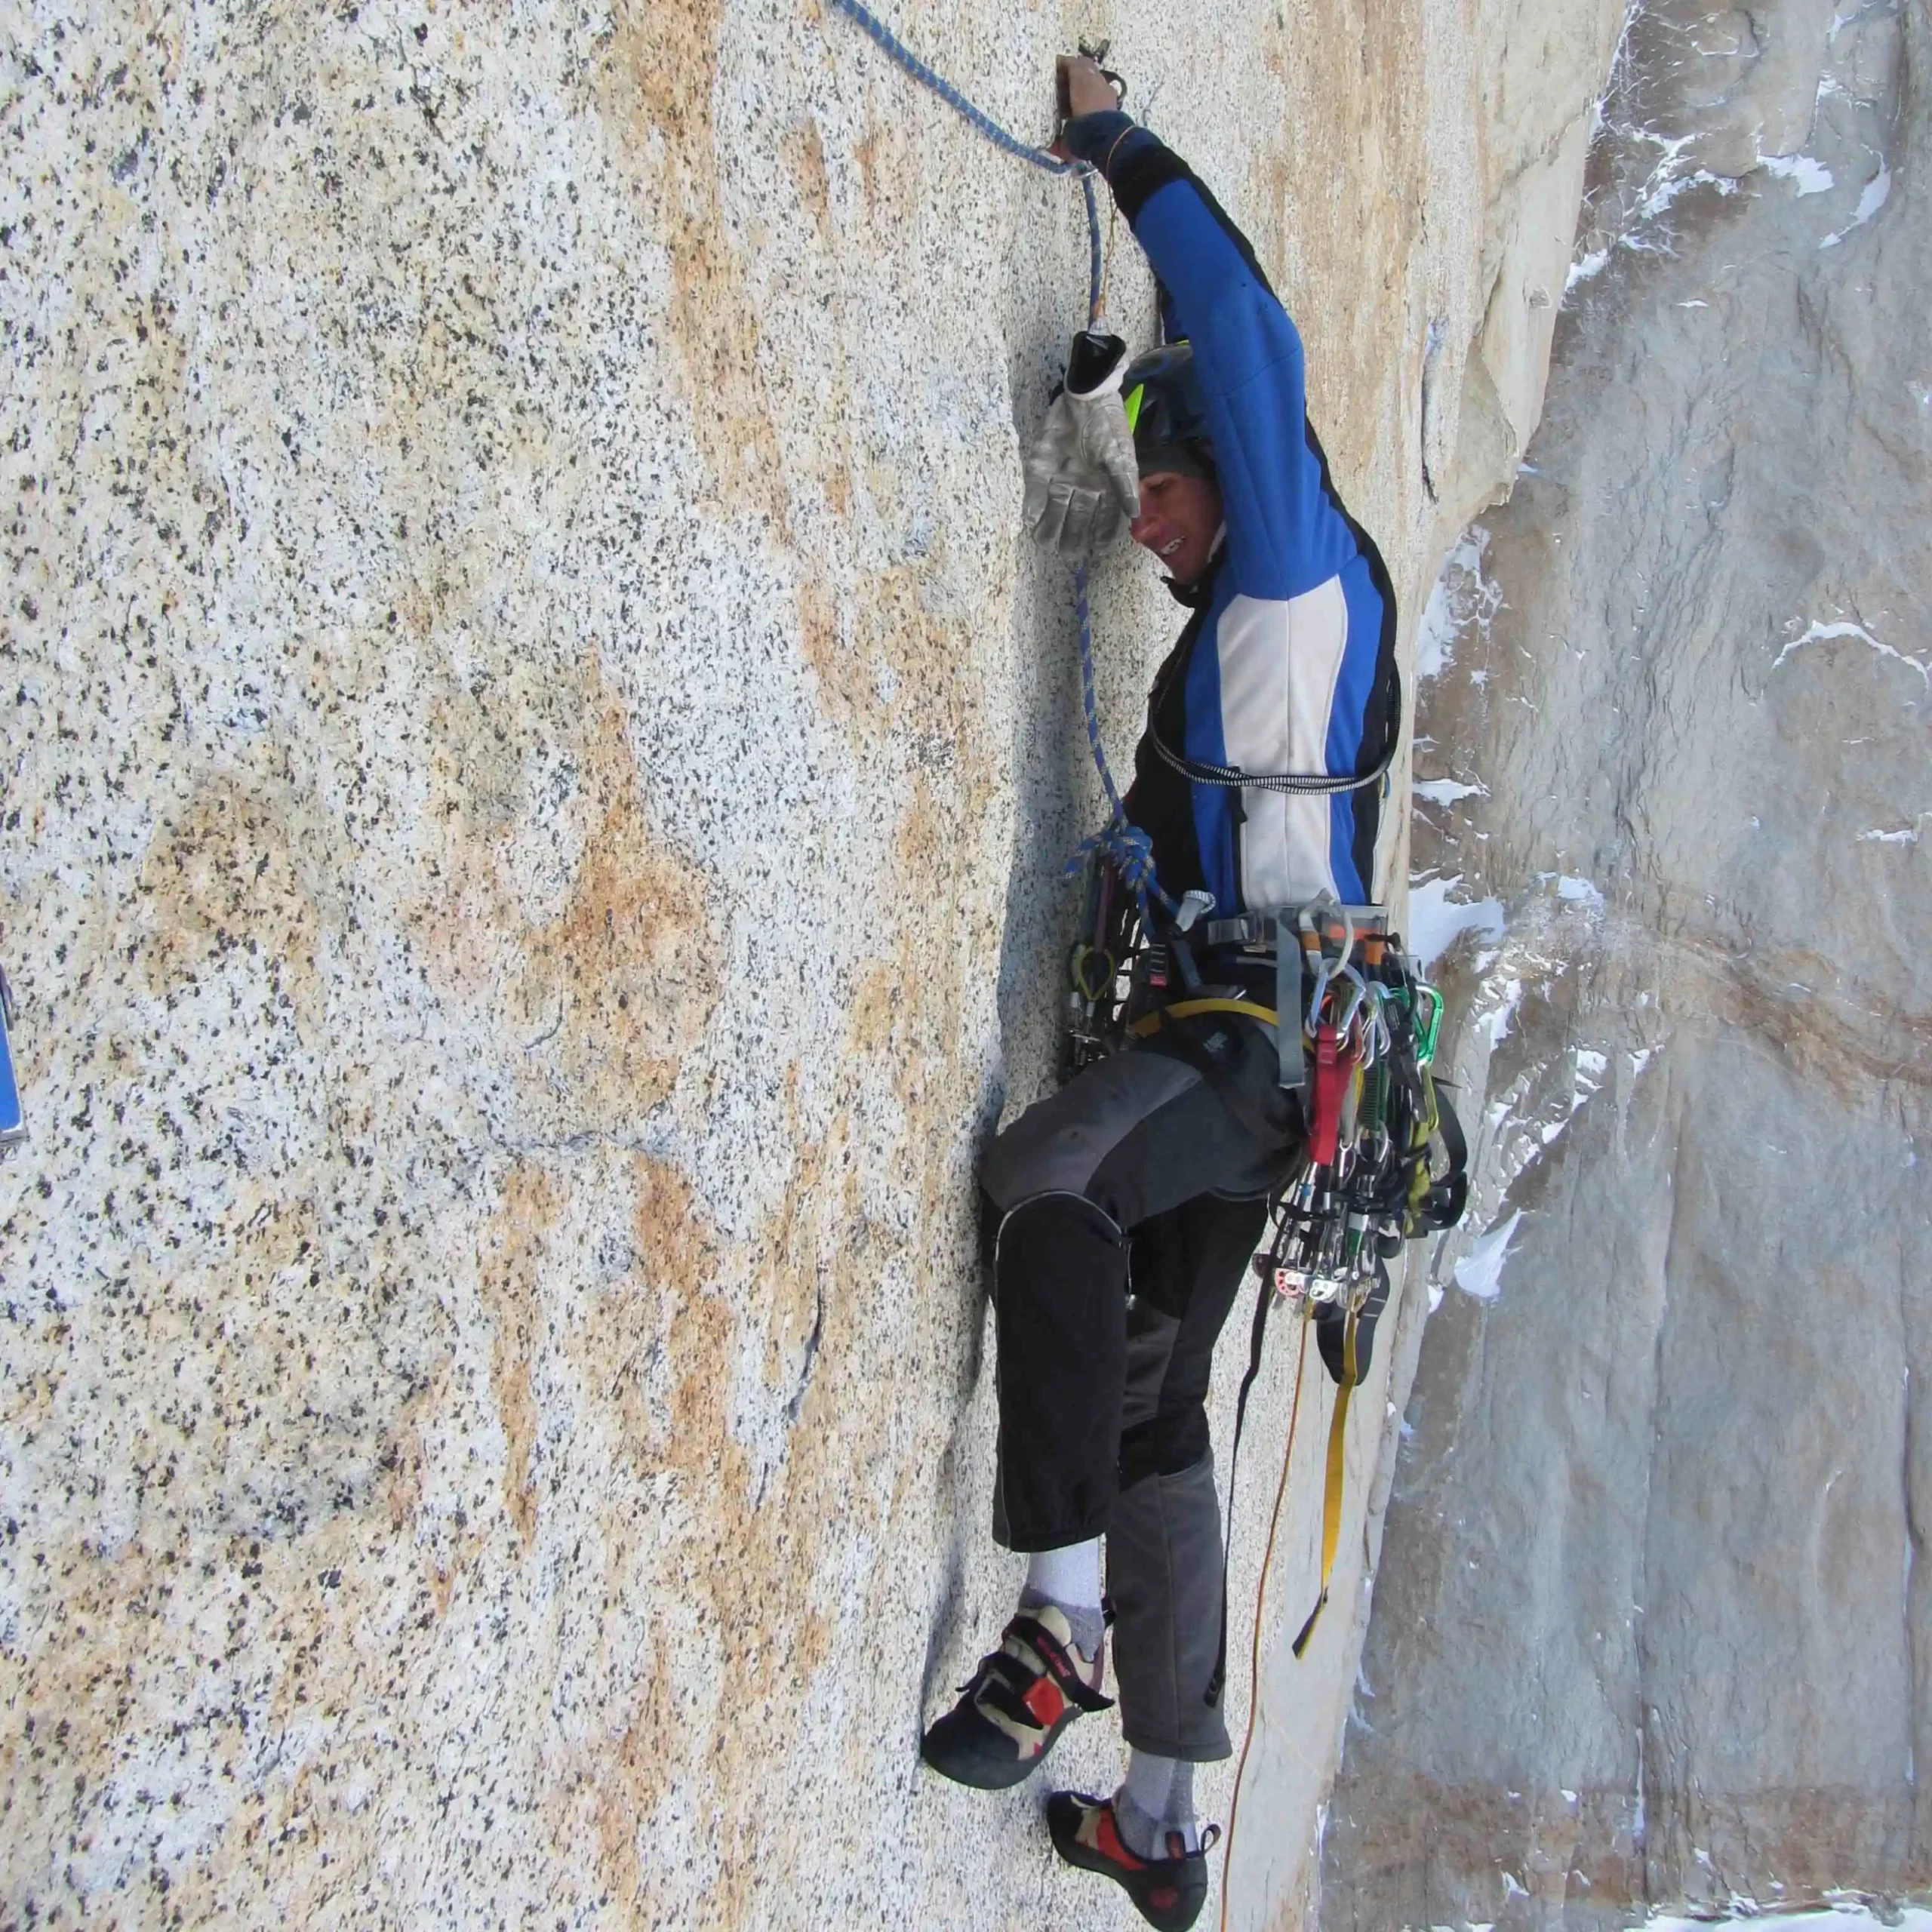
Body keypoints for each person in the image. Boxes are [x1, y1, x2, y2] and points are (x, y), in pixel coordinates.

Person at [918, 56, 1402, 1932]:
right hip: (1283, 1072)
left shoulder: (1289, 578)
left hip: (1241, 1046)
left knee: (1048, 1176)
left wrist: (1113, 143)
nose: (1149, 527)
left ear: (1236, 478)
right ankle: (1172, 1813)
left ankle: (1053, 1626)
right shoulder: (1259, 639)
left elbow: (1247, 331)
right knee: (1149, 1400)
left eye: (1165, 493)